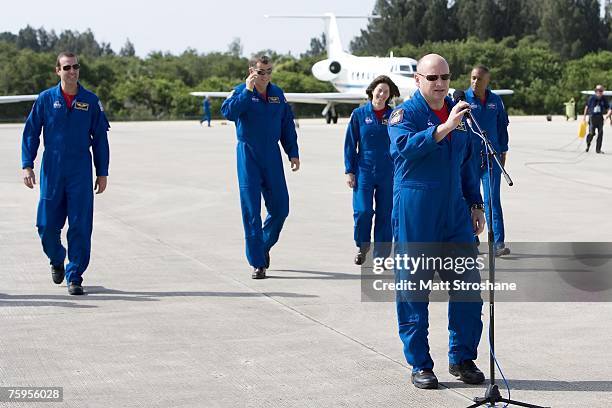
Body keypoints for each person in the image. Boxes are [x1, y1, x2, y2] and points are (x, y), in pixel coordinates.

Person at [388, 54, 486, 389]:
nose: (441, 84)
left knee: (468, 287)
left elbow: (466, 164)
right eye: (433, 78)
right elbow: (405, 147)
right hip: (417, 207)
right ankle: (420, 364)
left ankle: (462, 357)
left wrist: (475, 203)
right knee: (414, 288)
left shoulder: (460, 115)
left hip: (454, 210)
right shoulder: (404, 114)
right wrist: (443, 128)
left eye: (445, 77)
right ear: (418, 80)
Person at [21, 52, 110, 295]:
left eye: (75, 67)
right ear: (57, 71)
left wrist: (102, 172)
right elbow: (31, 133)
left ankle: (75, 275)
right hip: (53, 168)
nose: (72, 71)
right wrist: (27, 164)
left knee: (81, 225)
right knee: (46, 225)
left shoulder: (90, 101)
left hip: (80, 170)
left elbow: (100, 138)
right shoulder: (45, 99)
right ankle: (56, 257)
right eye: (67, 67)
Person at [221, 55, 299, 279]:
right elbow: (228, 113)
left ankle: (263, 245)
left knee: (281, 208)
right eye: (260, 72)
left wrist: (292, 152)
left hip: (272, 155)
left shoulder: (277, 94)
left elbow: (286, 124)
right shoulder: (240, 91)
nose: (265, 76)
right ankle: (257, 263)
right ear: (251, 71)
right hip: (248, 155)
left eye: (268, 71)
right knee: (251, 211)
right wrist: (246, 92)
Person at [344, 75, 399, 265]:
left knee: (386, 213)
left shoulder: (394, 115)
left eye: (386, 91)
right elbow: (350, 144)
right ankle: (362, 246)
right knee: (363, 211)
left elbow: (400, 142)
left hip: (388, 170)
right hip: (364, 168)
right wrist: (349, 171)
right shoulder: (359, 114)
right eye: (380, 90)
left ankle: (381, 256)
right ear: (372, 90)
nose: (382, 94)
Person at [465, 65, 510, 256]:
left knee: (492, 199)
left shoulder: (496, 101)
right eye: (473, 78)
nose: (475, 82)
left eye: (479, 79)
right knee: (470, 199)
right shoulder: (462, 99)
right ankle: (471, 240)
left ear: (487, 81)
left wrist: (503, 151)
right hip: (469, 158)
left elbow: (502, 128)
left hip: (492, 155)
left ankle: (497, 243)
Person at [583, 85, 611, 154]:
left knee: (600, 133)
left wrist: (610, 119)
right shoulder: (591, 98)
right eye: (598, 91)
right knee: (591, 133)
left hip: (600, 117)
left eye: (601, 91)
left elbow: (608, 109)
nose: (600, 92)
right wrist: (584, 117)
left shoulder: (604, 99)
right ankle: (588, 144)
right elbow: (586, 107)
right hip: (592, 117)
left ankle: (598, 149)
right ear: (596, 91)